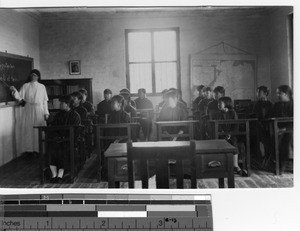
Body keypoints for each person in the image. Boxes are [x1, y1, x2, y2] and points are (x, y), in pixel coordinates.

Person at [10, 69, 49, 155]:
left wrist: (46, 113)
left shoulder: (42, 86)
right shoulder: (25, 85)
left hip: (39, 110)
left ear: (38, 77)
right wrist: (14, 90)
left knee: (39, 129)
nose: (33, 76)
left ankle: (39, 150)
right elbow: (20, 97)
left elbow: (45, 101)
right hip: (28, 109)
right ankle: (29, 149)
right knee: (29, 129)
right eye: (32, 75)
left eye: (35, 75)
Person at [47, 95, 81, 183]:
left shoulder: (75, 116)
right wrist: (56, 137)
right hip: (58, 140)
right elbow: (53, 128)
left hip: (69, 140)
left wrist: (65, 138)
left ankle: (60, 175)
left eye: (62, 103)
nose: (60, 104)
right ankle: (54, 174)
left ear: (67, 104)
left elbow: (76, 131)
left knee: (64, 149)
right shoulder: (58, 115)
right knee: (51, 148)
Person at [217, 96, 247, 176]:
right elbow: (218, 126)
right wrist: (223, 133)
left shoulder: (233, 113)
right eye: (218, 103)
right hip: (222, 135)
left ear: (226, 104)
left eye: (220, 103)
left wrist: (230, 134)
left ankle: (235, 165)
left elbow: (235, 126)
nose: (218, 105)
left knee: (233, 142)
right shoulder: (219, 114)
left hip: (232, 134)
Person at [270, 85, 293, 173]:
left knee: (285, 142)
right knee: (274, 140)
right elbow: (271, 117)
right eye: (277, 93)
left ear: (286, 94)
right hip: (278, 129)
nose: (278, 95)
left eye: (279, 93)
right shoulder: (276, 105)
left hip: (291, 129)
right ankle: (278, 164)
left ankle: (282, 166)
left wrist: (285, 129)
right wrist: (277, 129)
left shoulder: (294, 104)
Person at [251, 86, 273, 166]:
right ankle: (261, 158)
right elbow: (254, 116)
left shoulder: (271, 104)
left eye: (259, 92)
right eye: (257, 92)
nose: (257, 94)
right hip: (258, 126)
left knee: (269, 140)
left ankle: (269, 159)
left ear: (265, 94)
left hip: (268, 126)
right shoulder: (257, 104)